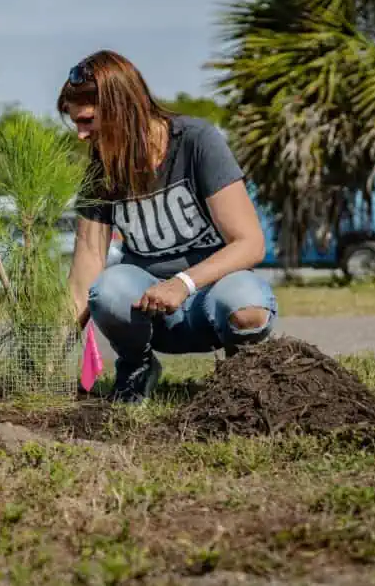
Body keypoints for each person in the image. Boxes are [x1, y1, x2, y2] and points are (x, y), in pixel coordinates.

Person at [59, 51, 277, 403]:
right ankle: (137, 367)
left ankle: (242, 377)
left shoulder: (196, 141)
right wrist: (48, 352)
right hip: (150, 313)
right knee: (108, 288)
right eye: (75, 123)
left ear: (121, 108)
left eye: (87, 120)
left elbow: (250, 244)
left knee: (247, 305)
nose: (81, 135)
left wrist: (183, 283)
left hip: (211, 300)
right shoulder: (100, 172)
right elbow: (84, 274)